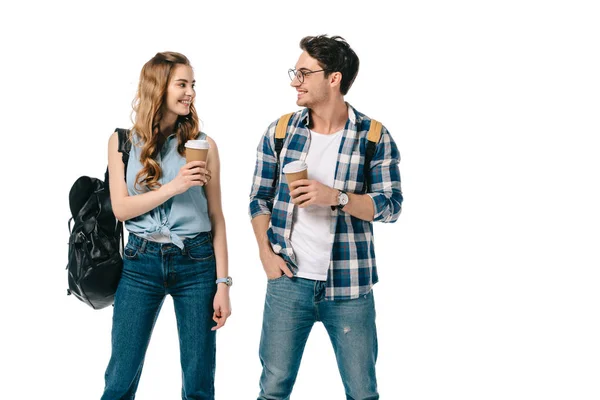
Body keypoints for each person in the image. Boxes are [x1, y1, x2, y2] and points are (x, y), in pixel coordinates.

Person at [249, 35, 402, 399]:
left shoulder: (373, 136)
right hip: (288, 282)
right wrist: (265, 254)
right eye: (295, 73)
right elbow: (259, 199)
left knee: (362, 392)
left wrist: (338, 197)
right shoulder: (281, 131)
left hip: (350, 287)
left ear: (333, 78)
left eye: (303, 73)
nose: (294, 81)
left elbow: (391, 205)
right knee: (273, 390)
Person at [102, 51, 232, 400]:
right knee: (119, 379)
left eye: (192, 85)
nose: (190, 92)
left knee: (199, 382)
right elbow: (121, 209)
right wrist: (175, 186)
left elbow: (217, 217)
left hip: (197, 262)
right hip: (140, 263)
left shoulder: (203, 146)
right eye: (182, 84)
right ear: (158, 88)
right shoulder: (122, 141)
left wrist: (223, 284)